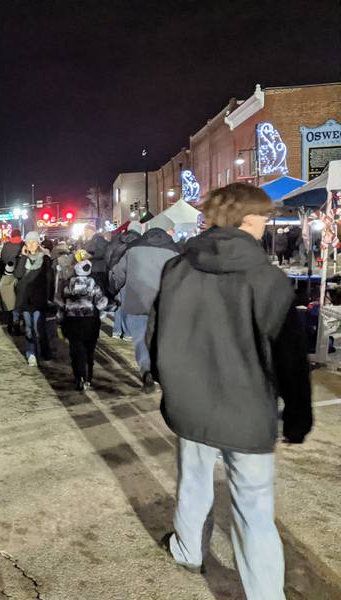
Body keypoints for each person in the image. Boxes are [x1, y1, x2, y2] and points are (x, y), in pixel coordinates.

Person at [148, 183, 312, 599]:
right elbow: (288, 355)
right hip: (247, 407)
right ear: (244, 219)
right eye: (262, 217)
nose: (266, 225)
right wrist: (297, 412)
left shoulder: (177, 268)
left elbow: (156, 336)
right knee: (254, 509)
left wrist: (172, 383)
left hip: (192, 403)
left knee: (194, 480)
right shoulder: (267, 279)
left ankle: (186, 548)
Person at [110, 215, 179, 392]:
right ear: (168, 230)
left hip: (137, 302)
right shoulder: (175, 250)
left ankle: (146, 370)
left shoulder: (134, 248)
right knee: (161, 338)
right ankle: (160, 371)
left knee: (141, 339)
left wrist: (113, 289)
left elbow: (118, 273)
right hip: (163, 304)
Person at [57, 259, 107, 390]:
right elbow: (101, 303)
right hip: (90, 321)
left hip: (72, 321)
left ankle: (78, 376)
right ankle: (88, 378)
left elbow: (61, 304)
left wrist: (60, 319)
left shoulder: (68, 286)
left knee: (75, 350)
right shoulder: (93, 285)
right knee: (89, 350)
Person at [14, 231, 54, 367]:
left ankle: (44, 350)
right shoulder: (22, 258)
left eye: (33, 242)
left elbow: (50, 280)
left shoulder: (45, 259)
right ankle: (31, 354)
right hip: (25, 299)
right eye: (28, 242)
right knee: (29, 329)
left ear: (38, 243)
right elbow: (18, 274)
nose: (31, 244)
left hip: (39, 299)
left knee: (38, 328)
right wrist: (23, 257)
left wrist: (49, 298)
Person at [105, 221, 143, 340]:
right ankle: (127, 332)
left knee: (119, 303)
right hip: (133, 274)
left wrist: (112, 271)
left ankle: (116, 331)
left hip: (117, 273)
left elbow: (108, 255)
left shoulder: (117, 240)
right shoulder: (141, 241)